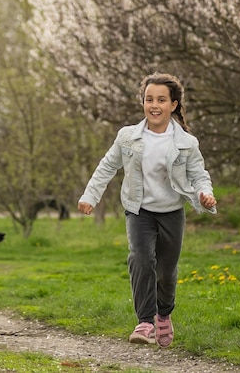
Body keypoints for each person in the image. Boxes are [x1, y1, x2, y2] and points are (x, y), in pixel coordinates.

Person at [78, 72, 217, 348]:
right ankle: (145, 322)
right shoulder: (128, 137)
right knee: (141, 259)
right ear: (143, 102)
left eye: (161, 100)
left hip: (172, 213)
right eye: (149, 99)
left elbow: (200, 175)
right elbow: (107, 166)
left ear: (173, 105)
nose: (154, 105)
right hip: (138, 211)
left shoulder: (186, 143)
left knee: (166, 271)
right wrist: (90, 196)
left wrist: (206, 194)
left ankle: (163, 314)